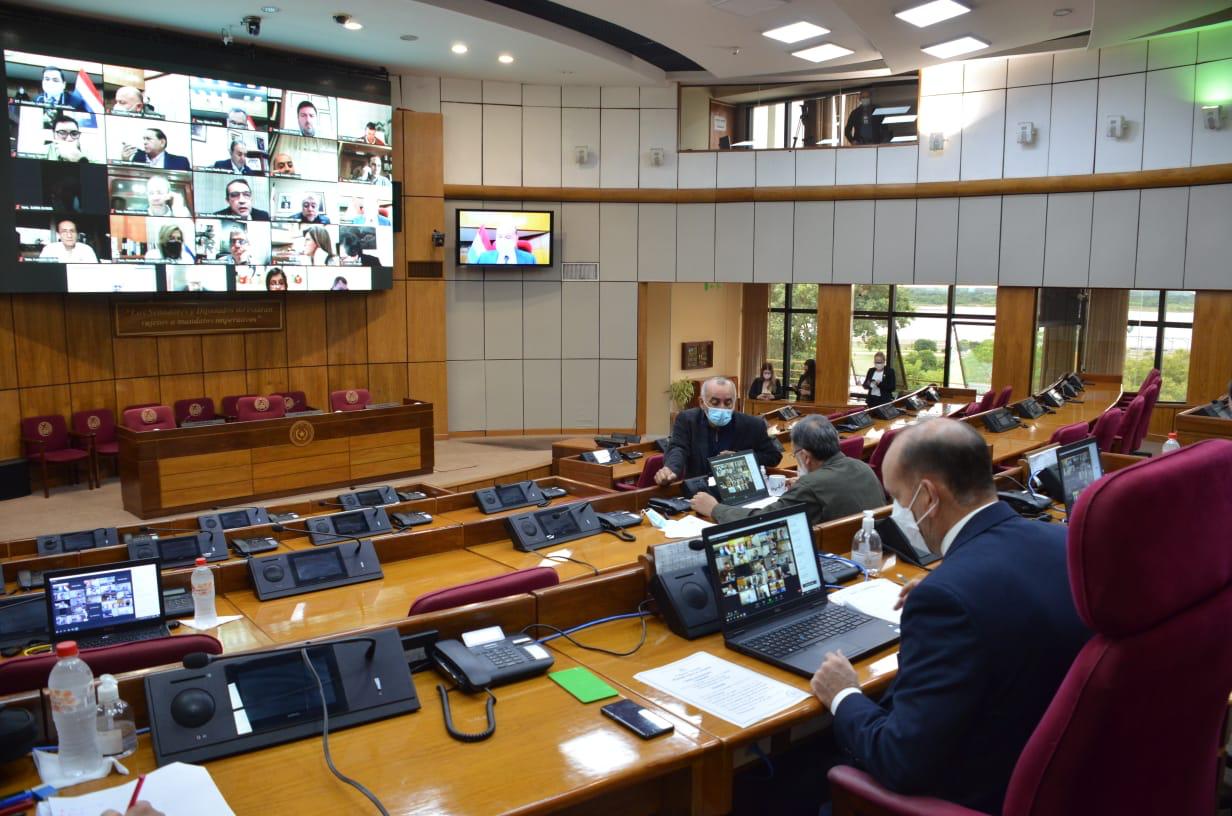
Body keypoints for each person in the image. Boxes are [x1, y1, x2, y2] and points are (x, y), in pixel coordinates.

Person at [810, 419, 1089, 812]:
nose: (898, 513)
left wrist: (843, 693)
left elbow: (899, 761)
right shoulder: (1065, 541)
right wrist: (954, 577)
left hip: (974, 792)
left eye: (898, 498)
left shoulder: (947, 600)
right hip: (1059, 770)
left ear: (927, 496)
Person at [689, 414, 884, 527]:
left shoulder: (810, 485)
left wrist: (714, 508)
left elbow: (761, 520)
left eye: (796, 454)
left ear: (806, 457)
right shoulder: (862, 467)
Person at [655, 376, 782, 485]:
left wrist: (739, 458)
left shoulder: (753, 425)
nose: (722, 408)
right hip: (698, 491)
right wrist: (671, 469)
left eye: (728, 403)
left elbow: (773, 457)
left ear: (735, 403)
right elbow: (678, 448)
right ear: (702, 402)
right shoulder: (687, 420)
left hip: (737, 489)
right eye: (715, 402)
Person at [122, 128, 191, 170]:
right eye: (144, 139)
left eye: (148, 139)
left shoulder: (181, 162)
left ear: (162, 142)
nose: (145, 142)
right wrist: (125, 161)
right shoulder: (138, 157)